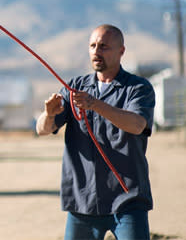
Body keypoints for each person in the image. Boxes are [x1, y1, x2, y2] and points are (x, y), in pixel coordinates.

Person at [36, 24, 155, 240]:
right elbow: (42, 129)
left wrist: (95, 105)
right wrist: (48, 114)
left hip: (127, 201)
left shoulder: (138, 89)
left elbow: (137, 125)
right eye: (93, 46)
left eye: (104, 46)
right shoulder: (74, 88)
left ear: (121, 51)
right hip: (83, 202)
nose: (97, 51)